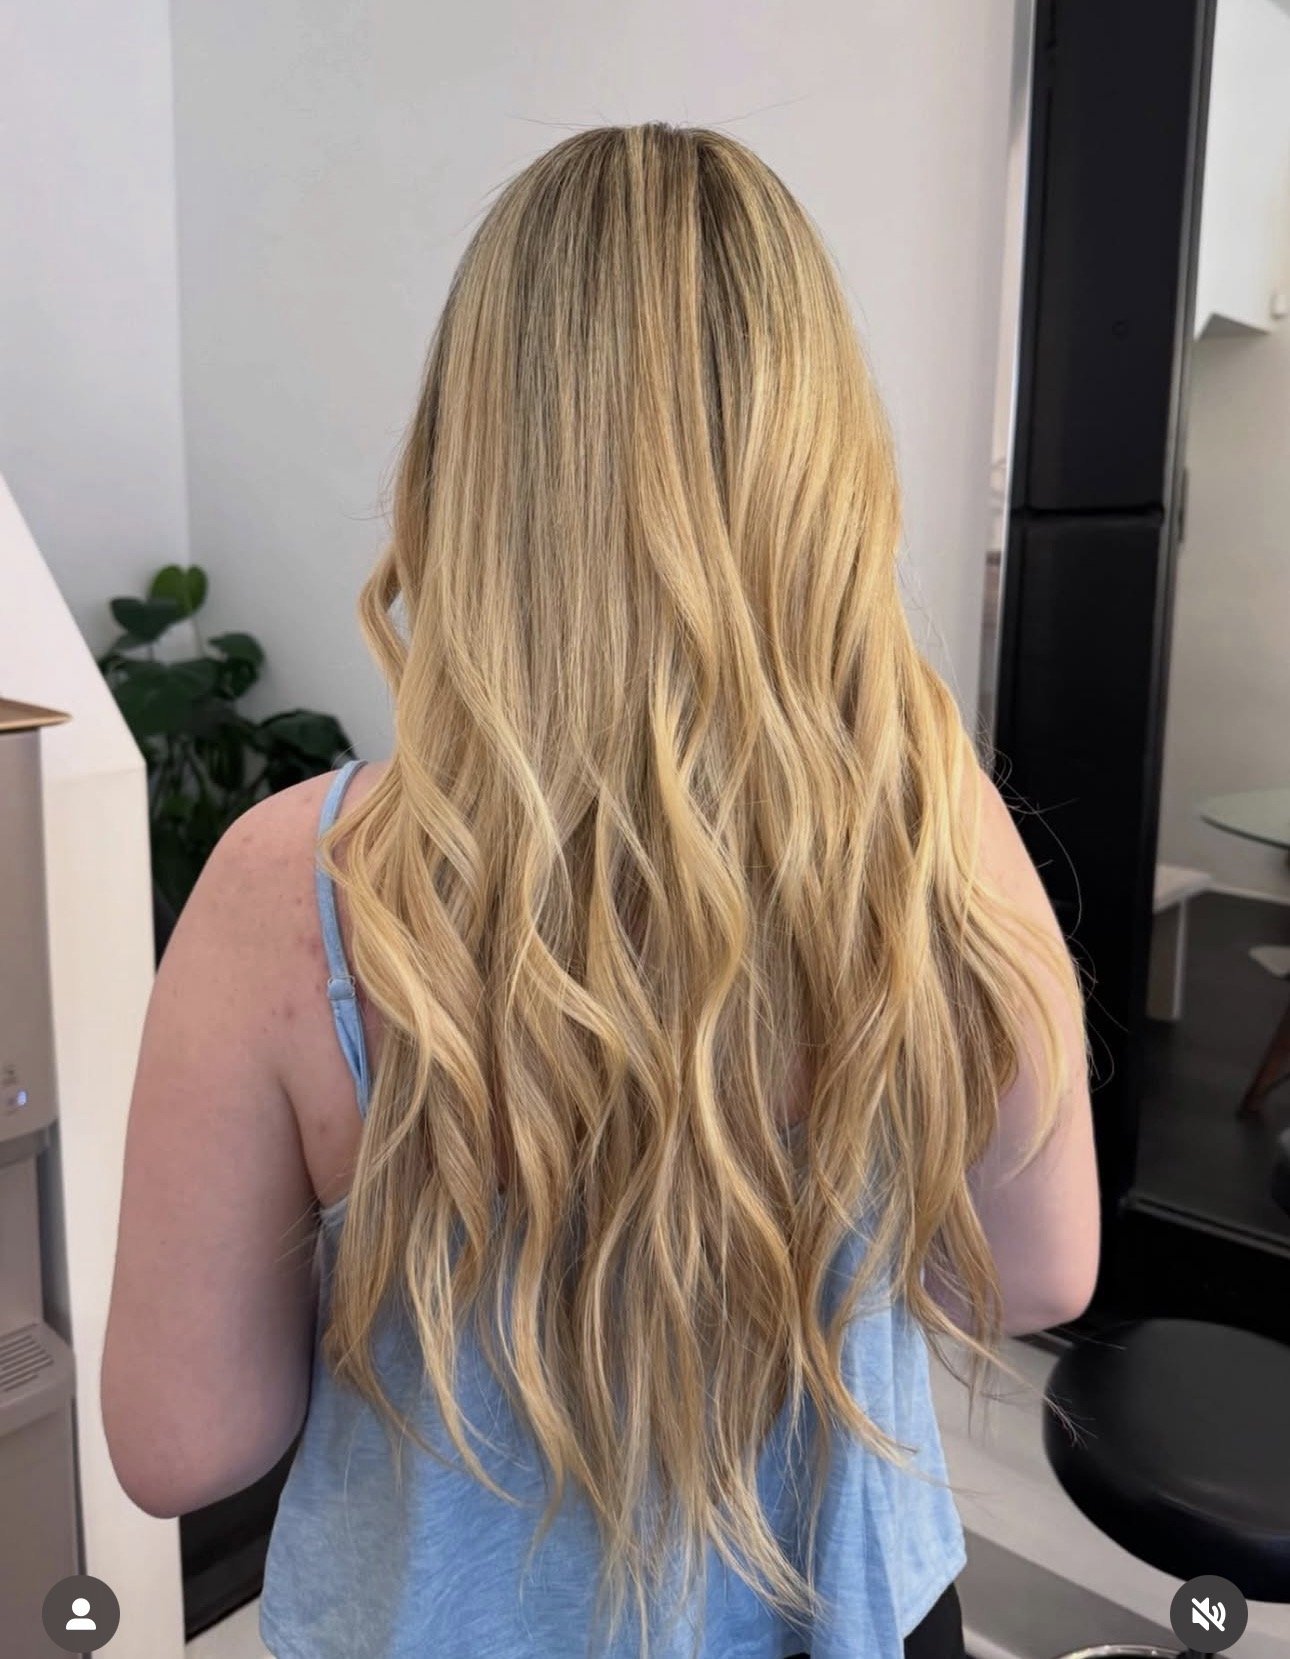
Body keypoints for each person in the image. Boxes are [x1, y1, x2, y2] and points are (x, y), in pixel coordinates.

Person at [101, 123, 1098, 1659]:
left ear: (470, 456)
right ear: (822, 459)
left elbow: (180, 1445)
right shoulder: (928, 823)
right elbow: (1036, 1271)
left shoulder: (286, 889)